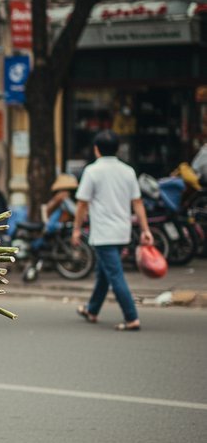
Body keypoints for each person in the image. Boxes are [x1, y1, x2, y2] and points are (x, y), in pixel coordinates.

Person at [72, 129, 153, 332]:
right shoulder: (128, 171)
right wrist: (145, 229)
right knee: (104, 273)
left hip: (103, 233)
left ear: (96, 149)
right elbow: (138, 203)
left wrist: (76, 229)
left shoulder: (92, 171)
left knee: (114, 275)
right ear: (118, 149)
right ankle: (92, 310)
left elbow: (82, 204)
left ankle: (131, 317)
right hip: (122, 232)